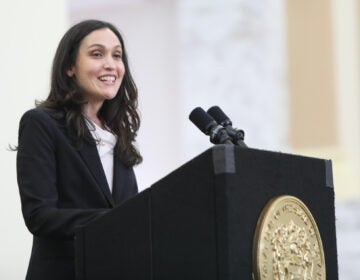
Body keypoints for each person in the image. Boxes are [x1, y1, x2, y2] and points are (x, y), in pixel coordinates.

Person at [16, 19, 142, 280]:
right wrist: (119, 221)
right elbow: (40, 216)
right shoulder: (41, 123)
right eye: (97, 54)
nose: (111, 64)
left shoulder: (117, 134)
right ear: (70, 67)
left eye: (117, 55)